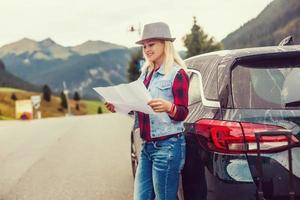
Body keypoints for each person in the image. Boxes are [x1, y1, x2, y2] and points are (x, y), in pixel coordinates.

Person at [105, 22, 189, 200]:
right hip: (147, 147)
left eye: (151, 44)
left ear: (165, 44)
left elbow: (182, 112)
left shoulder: (177, 73)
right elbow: (139, 108)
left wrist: (169, 107)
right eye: (144, 46)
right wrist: (119, 107)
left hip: (168, 146)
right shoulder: (146, 74)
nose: (147, 49)